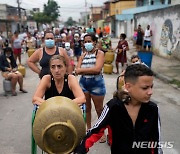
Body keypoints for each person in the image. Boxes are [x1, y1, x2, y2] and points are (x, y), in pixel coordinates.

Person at [74, 64, 162, 154]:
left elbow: (156, 141)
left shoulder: (153, 109)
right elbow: (95, 131)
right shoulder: (113, 107)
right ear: (128, 87)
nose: (150, 92)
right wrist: (80, 150)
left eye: (151, 87)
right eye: (145, 88)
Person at [75, 33, 106, 143]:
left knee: (99, 109)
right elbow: (76, 69)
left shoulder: (100, 53)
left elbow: (97, 69)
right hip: (84, 83)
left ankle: (101, 132)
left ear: (94, 42)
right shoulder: (82, 55)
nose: (87, 43)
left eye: (89, 41)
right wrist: (82, 71)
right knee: (86, 108)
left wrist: (81, 71)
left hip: (96, 83)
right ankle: (88, 129)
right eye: (85, 41)